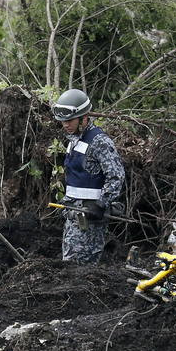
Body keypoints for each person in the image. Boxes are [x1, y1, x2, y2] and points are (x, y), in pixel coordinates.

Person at [51, 89, 125, 264]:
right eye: (63, 121)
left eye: (69, 120)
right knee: (69, 266)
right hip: (73, 216)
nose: (65, 125)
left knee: (81, 270)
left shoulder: (100, 141)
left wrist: (102, 204)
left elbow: (116, 175)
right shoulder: (74, 140)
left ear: (84, 118)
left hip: (90, 218)